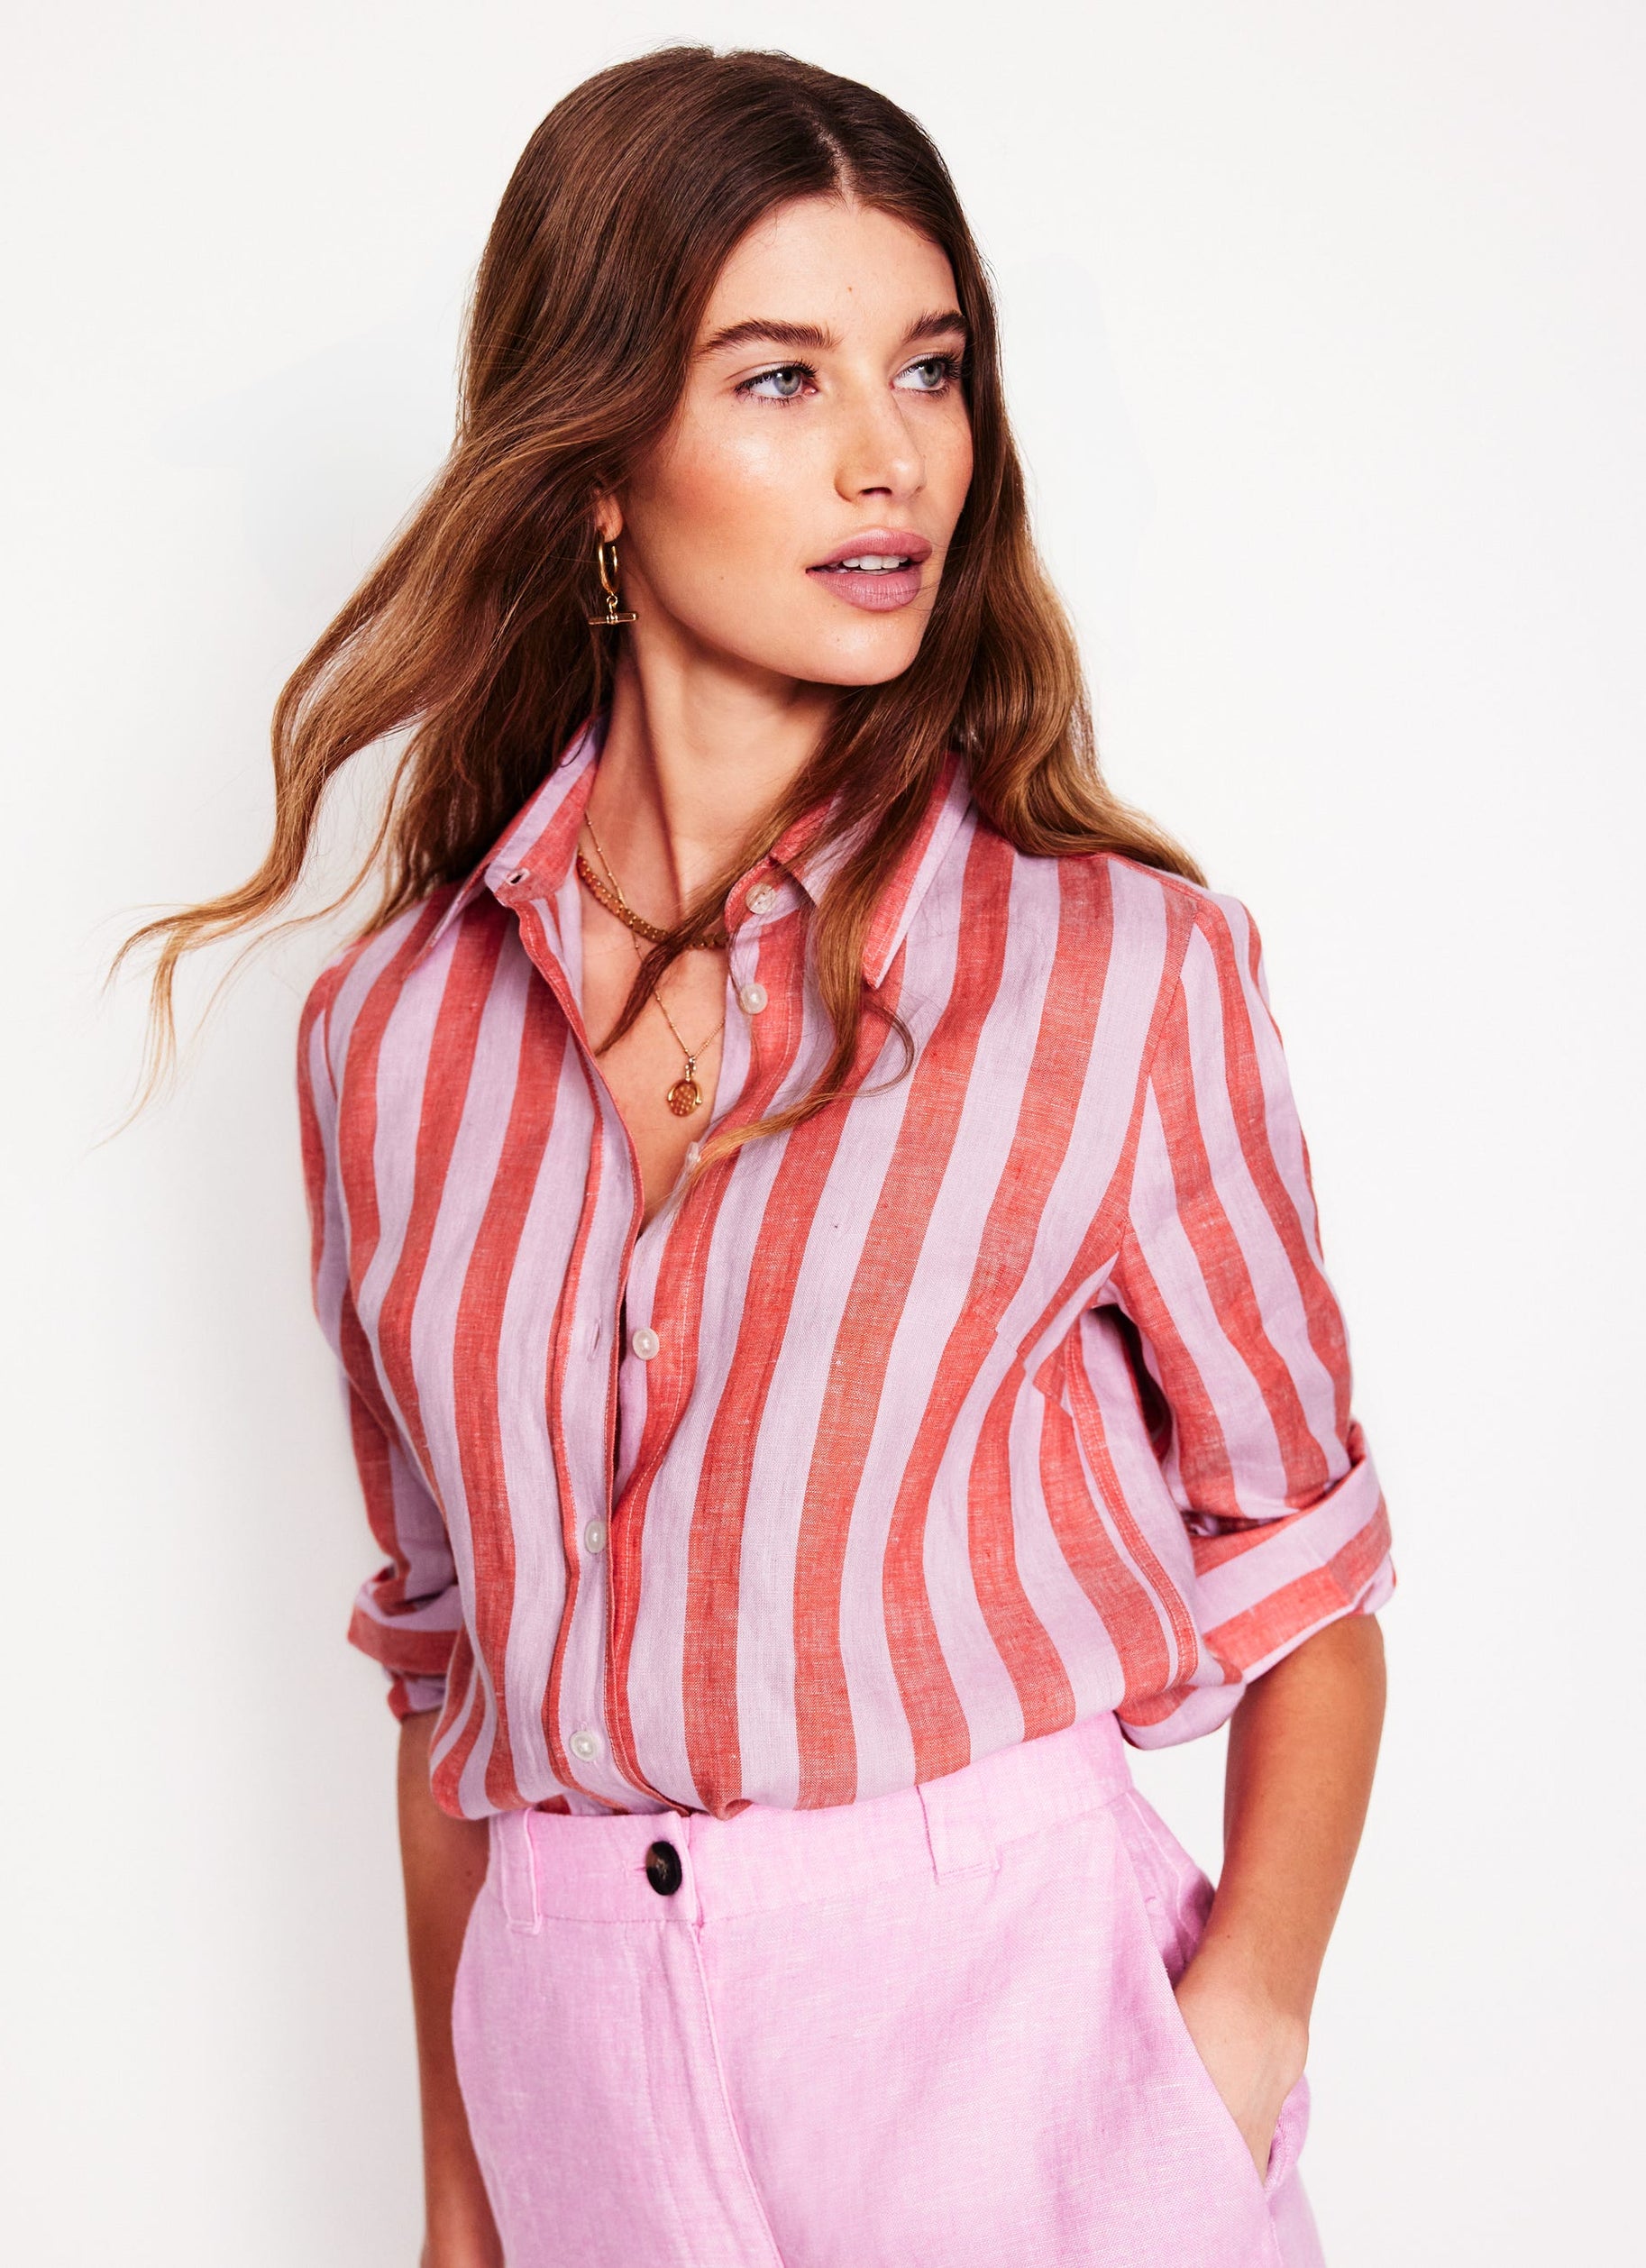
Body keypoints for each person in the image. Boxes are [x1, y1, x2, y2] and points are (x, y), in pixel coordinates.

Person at [133, 43, 1392, 2268]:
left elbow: (1307, 1572)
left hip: (1017, 2060)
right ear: (598, 463)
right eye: (781, 377)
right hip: (573, 2070)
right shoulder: (392, 1043)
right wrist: (459, 2204)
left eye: (930, 368)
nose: (889, 454)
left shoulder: (1116, 975)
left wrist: (1235, 2037)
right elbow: (448, 1684)